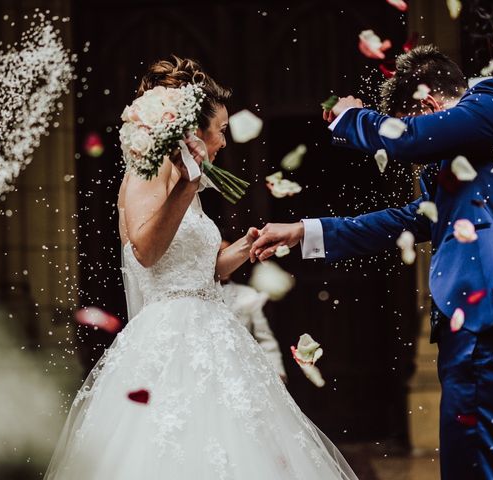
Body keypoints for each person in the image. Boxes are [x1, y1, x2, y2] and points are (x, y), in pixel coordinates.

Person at [44, 56, 357, 480]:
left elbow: (203, 272)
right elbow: (147, 252)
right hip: (170, 337)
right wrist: (187, 184)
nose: (225, 142)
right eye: (221, 131)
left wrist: (247, 245)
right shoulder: (146, 174)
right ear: (193, 130)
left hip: (214, 328)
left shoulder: (189, 185)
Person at [251, 45, 493, 480]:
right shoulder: (453, 165)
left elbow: (410, 137)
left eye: (413, 117)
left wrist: (349, 116)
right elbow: (409, 219)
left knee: (478, 466)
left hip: (487, 318)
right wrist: (307, 230)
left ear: (429, 103)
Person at [219, 239, 287, 382]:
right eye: (218, 254)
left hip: (243, 368)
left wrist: (277, 369)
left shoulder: (248, 295)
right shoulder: (194, 295)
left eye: (228, 253)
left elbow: (264, 337)